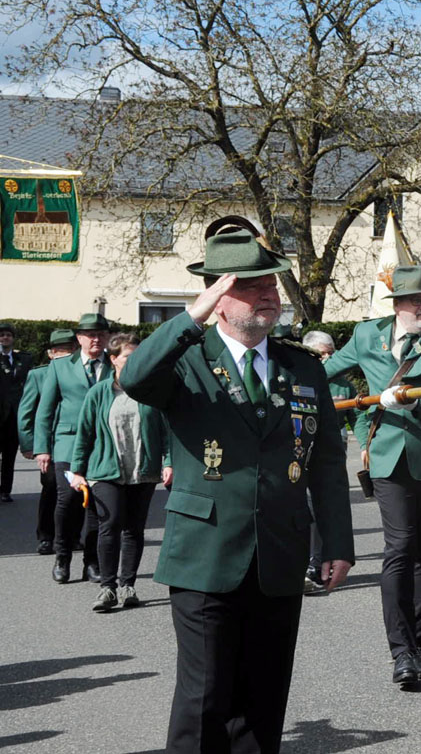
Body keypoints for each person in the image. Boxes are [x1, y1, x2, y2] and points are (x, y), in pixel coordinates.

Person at [121, 221, 355, 753]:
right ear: (219, 298)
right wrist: (189, 316)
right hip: (205, 552)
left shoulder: (300, 367)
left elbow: (324, 460)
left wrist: (337, 543)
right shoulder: (186, 359)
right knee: (204, 696)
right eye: (252, 287)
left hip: (278, 550)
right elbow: (134, 377)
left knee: (264, 696)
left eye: (272, 286)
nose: (270, 296)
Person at [324, 264, 421, 687]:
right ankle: (402, 651)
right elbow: (324, 375)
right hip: (388, 458)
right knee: (400, 547)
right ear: (397, 305)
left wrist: (411, 403)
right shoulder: (367, 334)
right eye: (415, 300)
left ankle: (417, 645)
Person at [68, 333, 172, 612]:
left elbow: (166, 432)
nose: (135, 361)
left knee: (133, 529)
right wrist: (77, 471)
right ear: (113, 360)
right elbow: (85, 435)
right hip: (105, 471)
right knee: (110, 523)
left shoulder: (151, 391)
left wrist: (168, 461)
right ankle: (108, 588)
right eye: (129, 356)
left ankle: (127, 585)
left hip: (143, 470)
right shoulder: (99, 393)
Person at [35, 313, 113, 584]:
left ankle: (91, 562)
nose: (96, 339)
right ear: (78, 338)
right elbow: (45, 410)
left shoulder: (115, 365)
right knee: (67, 501)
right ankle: (62, 555)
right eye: (90, 334)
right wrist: (41, 448)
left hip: (102, 445)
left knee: (95, 503)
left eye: (101, 334)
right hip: (67, 444)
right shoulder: (60, 367)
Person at [301, 329, 359, 593]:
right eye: (321, 354)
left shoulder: (344, 385)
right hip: (300, 451)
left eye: (331, 354)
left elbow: (357, 417)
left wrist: (367, 444)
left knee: (323, 507)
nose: (327, 359)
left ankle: (316, 565)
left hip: (332, 452)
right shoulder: (299, 378)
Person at [18, 329, 77, 553]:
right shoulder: (38, 375)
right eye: (59, 351)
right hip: (49, 443)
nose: (65, 354)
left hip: (74, 441)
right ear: (51, 353)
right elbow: (27, 412)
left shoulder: (81, 372)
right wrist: (29, 444)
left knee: (79, 489)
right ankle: (46, 536)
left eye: (69, 350)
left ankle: (72, 536)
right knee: (52, 489)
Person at [0, 321, 34, 503]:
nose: (5, 337)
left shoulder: (24, 359)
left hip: (14, 415)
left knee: (9, 455)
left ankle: (5, 490)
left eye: (8, 335)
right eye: (2, 335)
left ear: (13, 339)